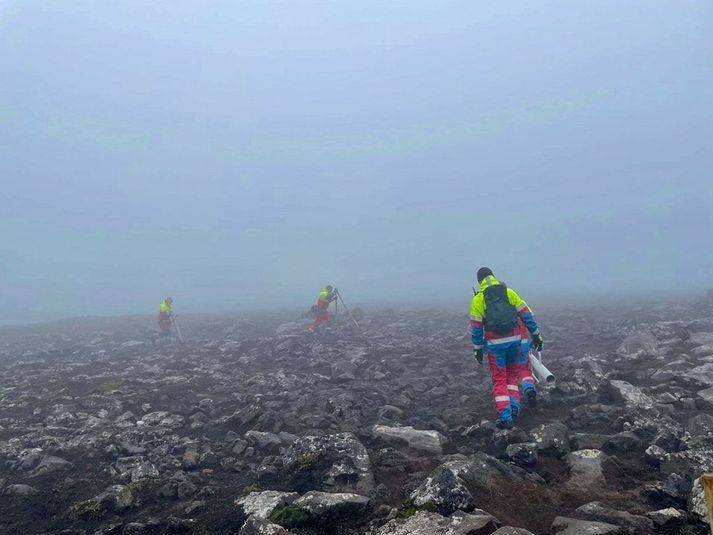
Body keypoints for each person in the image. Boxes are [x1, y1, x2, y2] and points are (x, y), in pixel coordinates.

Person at [470, 268, 543, 429]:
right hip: (515, 342)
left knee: (499, 379)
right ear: (493, 277)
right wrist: (536, 335)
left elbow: (476, 328)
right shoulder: (509, 292)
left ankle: (506, 417)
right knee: (512, 376)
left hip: (496, 346)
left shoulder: (478, 300)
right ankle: (514, 407)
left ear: (479, 281)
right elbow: (526, 315)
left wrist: (478, 349)